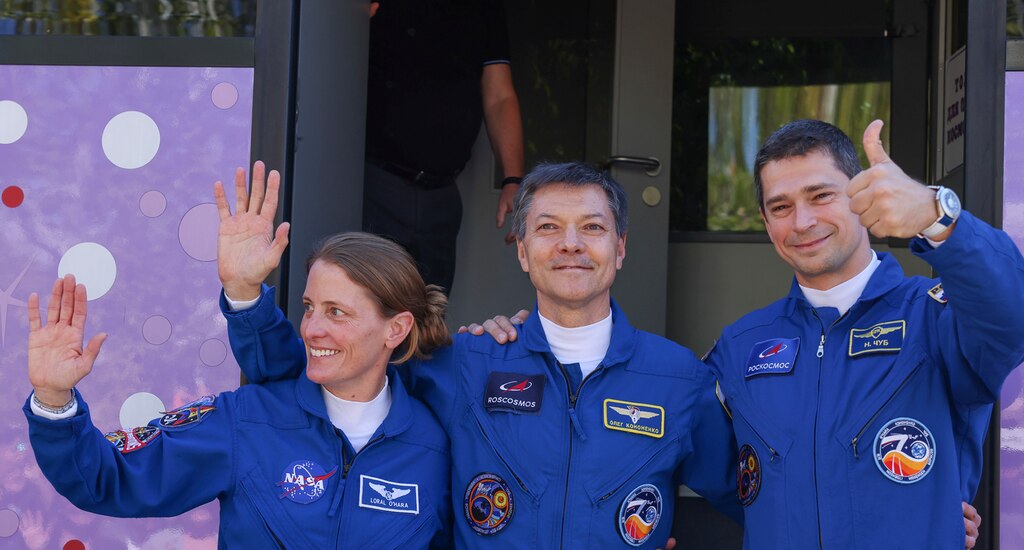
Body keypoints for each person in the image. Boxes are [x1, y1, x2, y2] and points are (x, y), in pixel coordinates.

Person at [219, 162, 742, 548]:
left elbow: (758, 502)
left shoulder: (678, 379)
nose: (571, 244)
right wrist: (246, 299)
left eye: (593, 227)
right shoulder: (464, 363)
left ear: (621, 247)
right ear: (521, 250)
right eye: (547, 227)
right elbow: (318, 371)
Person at [25, 163, 453, 548]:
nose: (312, 328)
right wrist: (52, 399)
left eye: (337, 312)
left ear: (395, 329)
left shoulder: (435, 446)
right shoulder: (246, 420)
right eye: (309, 308)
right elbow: (107, 479)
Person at [699, 119, 1024, 547]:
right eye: (781, 206)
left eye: (821, 196)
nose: (802, 221)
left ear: (862, 197)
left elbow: (1017, 316)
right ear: (767, 224)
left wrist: (935, 215)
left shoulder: (935, 316)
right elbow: (710, 468)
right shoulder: (740, 345)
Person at [362, 0, 525, 293]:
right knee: (371, 308)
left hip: (443, 195)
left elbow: (500, 96)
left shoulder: (483, 9)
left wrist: (512, 180)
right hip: (377, 184)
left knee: (429, 319)